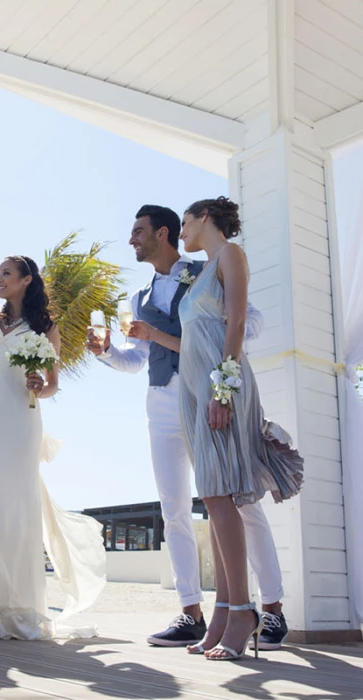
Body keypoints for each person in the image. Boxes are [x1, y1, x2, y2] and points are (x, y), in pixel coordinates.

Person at [87, 205, 291, 652]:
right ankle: (192, 611)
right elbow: (135, 359)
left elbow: (246, 321)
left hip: (207, 387)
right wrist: (105, 352)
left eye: (138, 231)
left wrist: (219, 366)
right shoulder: (137, 297)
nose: (131, 240)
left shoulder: (208, 267)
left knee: (238, 500)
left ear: (163, 233)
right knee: (174, 508)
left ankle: (270, 609)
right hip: (163, 398)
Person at [0, 256, 105, 640]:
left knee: (14, 504)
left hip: (18, 420)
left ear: (26, 280)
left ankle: (16, 603)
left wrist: (37, 385)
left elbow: (52, 385)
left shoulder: (46, 327)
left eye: (6, 274)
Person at [171, 197, 303, 660]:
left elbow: (238, 321)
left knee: (221, 494)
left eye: (185, 222)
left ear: (205, 218)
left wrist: (223, 390)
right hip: (194, 389)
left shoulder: (231, 255)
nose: (181, 230)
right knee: (212, 495)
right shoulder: (199, 273)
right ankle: (225, 612)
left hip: (220, 385)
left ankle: (244, 610)